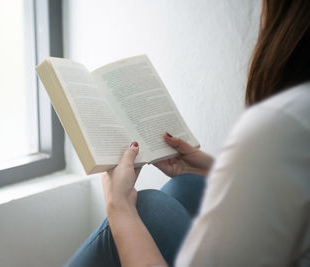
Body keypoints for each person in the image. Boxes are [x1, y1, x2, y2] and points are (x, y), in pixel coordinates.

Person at [66, 0, 310, 266]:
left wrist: (119, 207)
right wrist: (217, 171)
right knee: (190, 185)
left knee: (147, 207)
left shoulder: (284, 122)